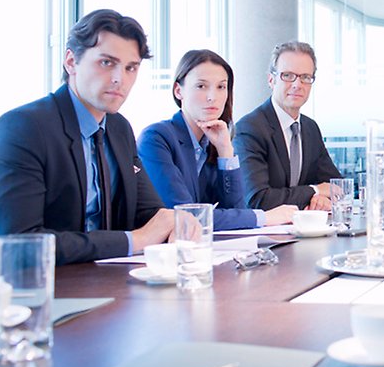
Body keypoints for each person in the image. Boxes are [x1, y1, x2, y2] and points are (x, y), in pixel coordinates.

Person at [0, 9, 174, 265]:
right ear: (71, 62)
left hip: (111, 284)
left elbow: (149, 214)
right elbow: (20, 243)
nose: (119, 79)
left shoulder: (119, 128)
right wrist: (134, 241)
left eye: (130, 68)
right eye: (107, 63)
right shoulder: (24, 128)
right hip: (51, 291)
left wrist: (176, 223)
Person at [138, 50, 297, 229]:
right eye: (201, 86)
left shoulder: (212, 142)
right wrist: (264, 218)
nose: (212, 97)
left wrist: (225, 151)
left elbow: (235, 208)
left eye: (221, 87)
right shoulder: (156, 139)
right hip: (159, 251)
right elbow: (187, 216)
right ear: (178, 91)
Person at [234, 41, 340, 211]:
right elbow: (258, 199)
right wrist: (315, 191)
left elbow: (336, 186)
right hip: (263, 235)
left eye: (306, 77)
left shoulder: (310, 128)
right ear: (271, 80)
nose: (297, 84)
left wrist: (320, 199)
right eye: (288, 75)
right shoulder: (249, 129)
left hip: (304, 230)